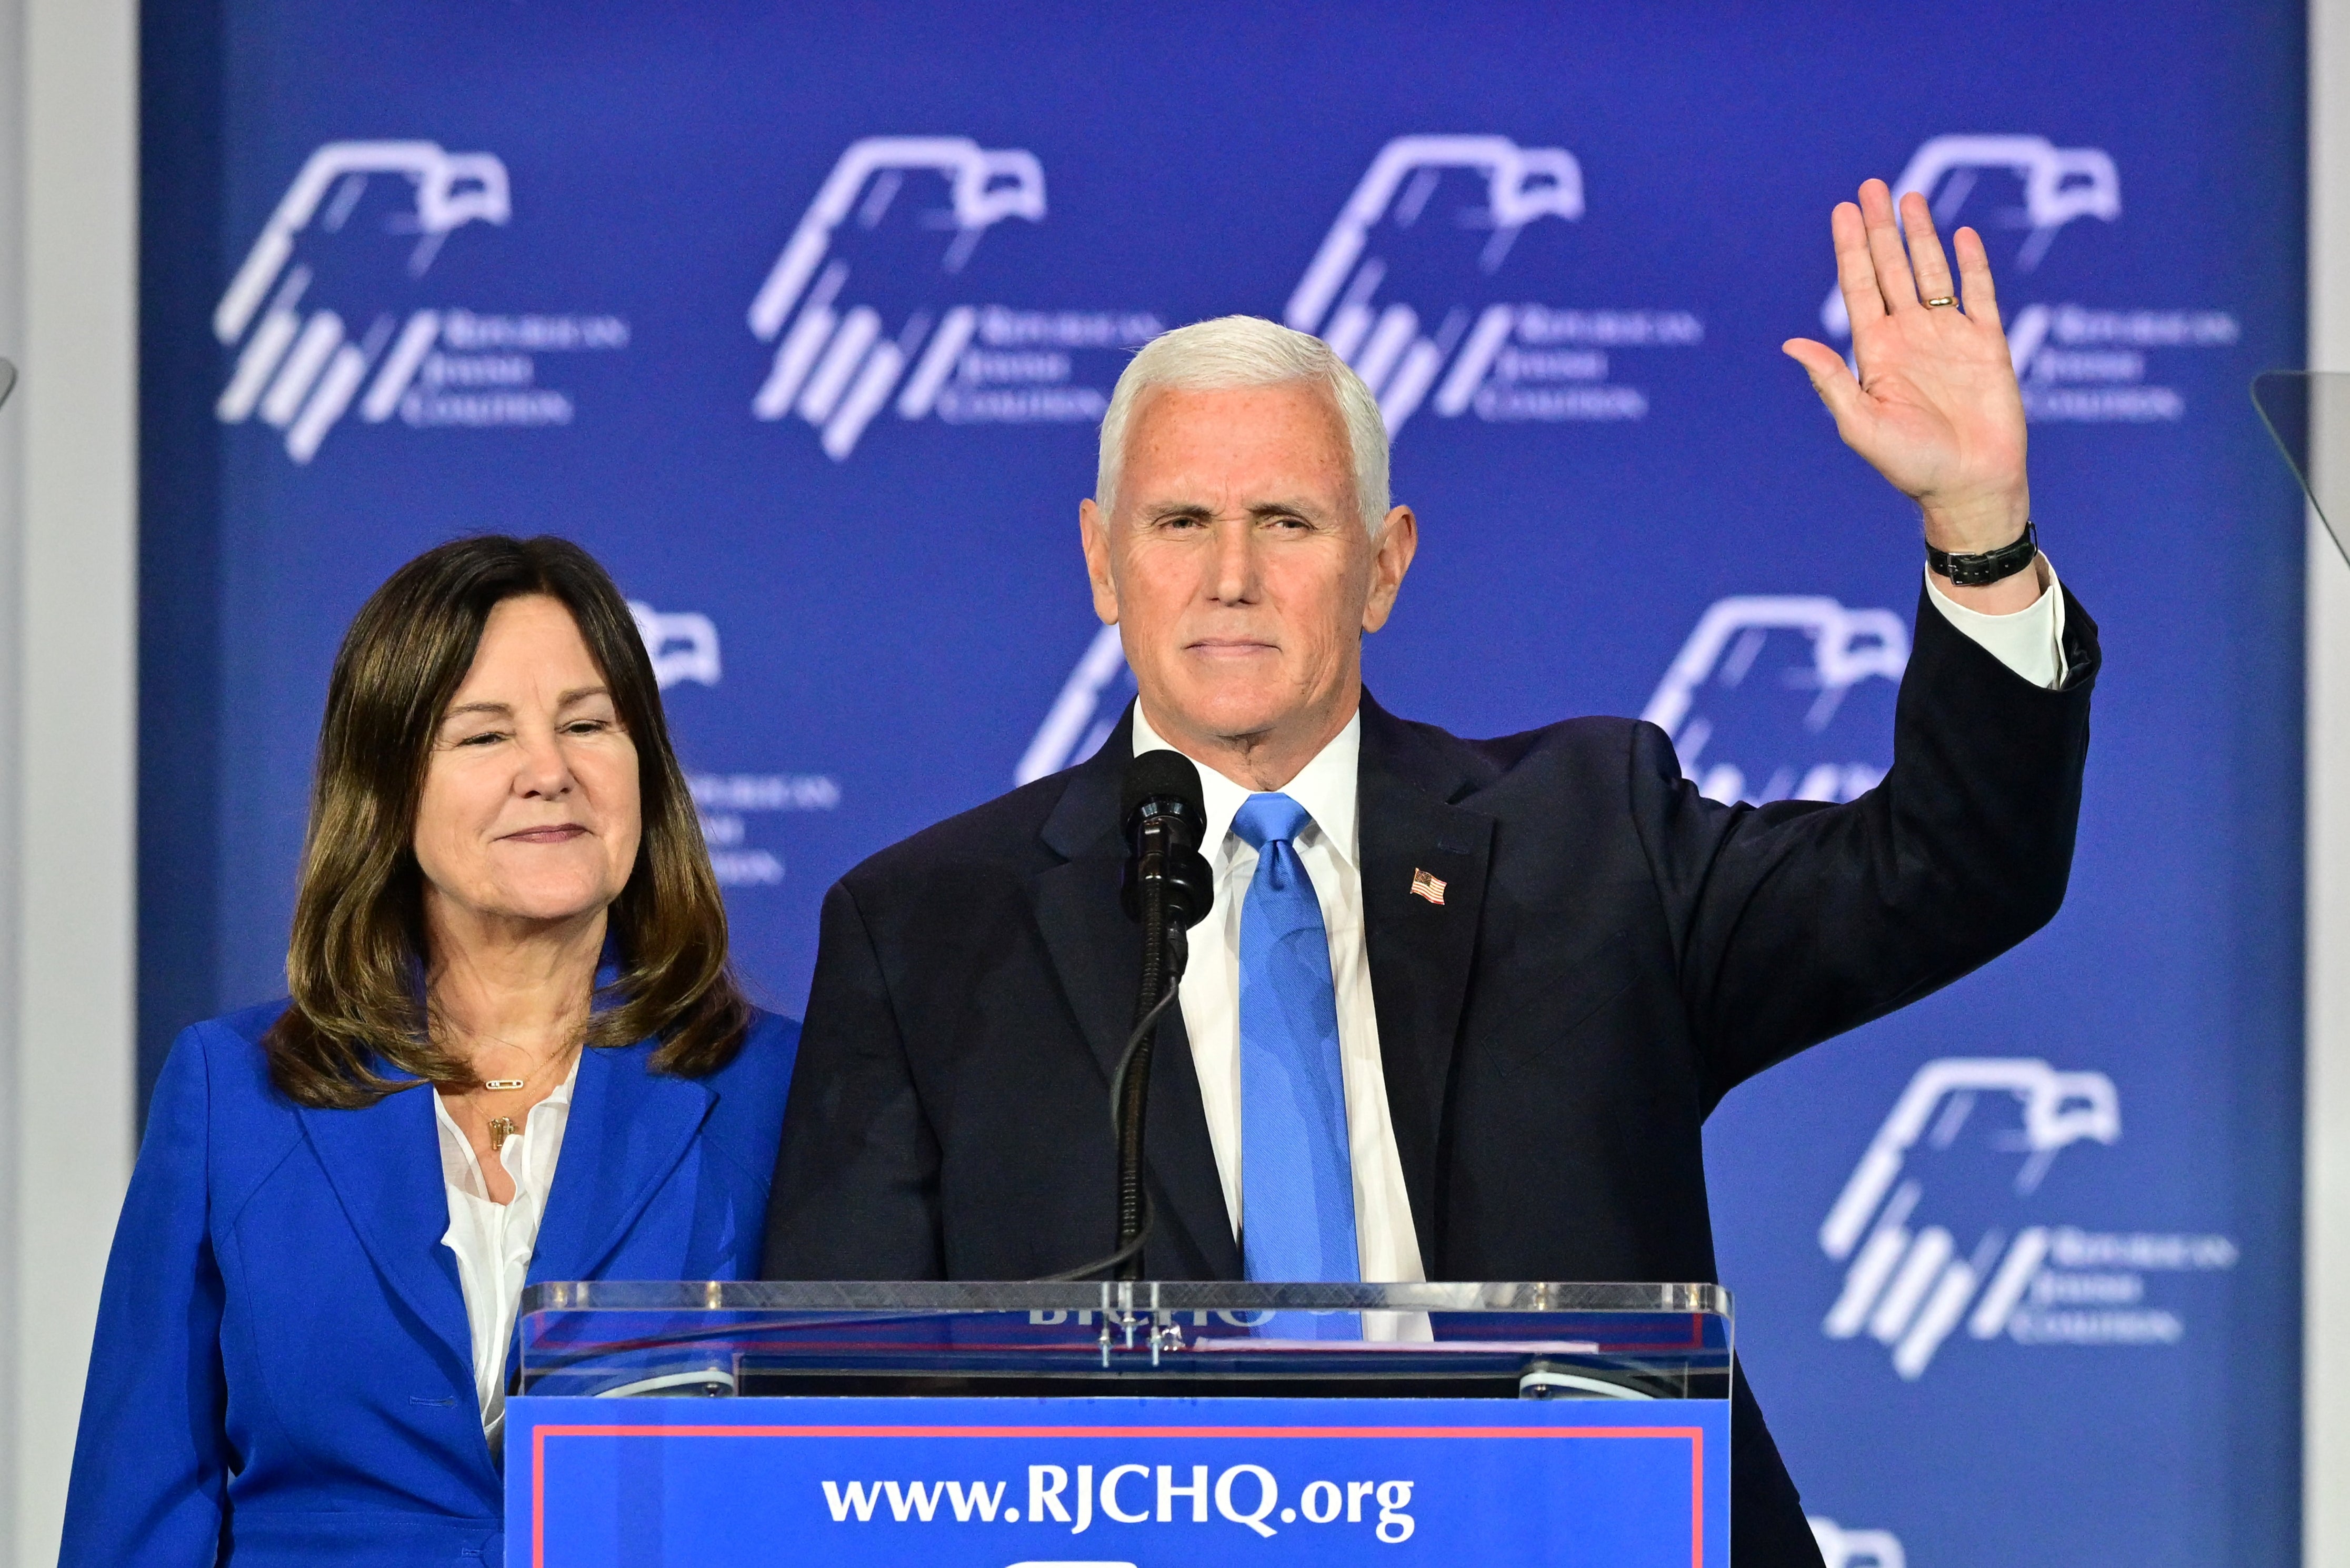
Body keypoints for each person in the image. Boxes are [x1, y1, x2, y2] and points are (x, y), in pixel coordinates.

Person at [766, 182, 2095, 1563]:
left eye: (1287, 520)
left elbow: (1955, 869)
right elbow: (834, 1407)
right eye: (1177, 523)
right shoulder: (928, 927)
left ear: (1383, 565)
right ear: (1103, 562)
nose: (1231, 574)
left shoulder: (1593, 839)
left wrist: (1980, 525)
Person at [62, 536, 797, 1566]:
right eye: (483, 734)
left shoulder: (781, 1092)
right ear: (387, 784)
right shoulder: (233, 1092)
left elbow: (843, 1489)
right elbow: (137, 1511)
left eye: (589, 723)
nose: (550, 771)